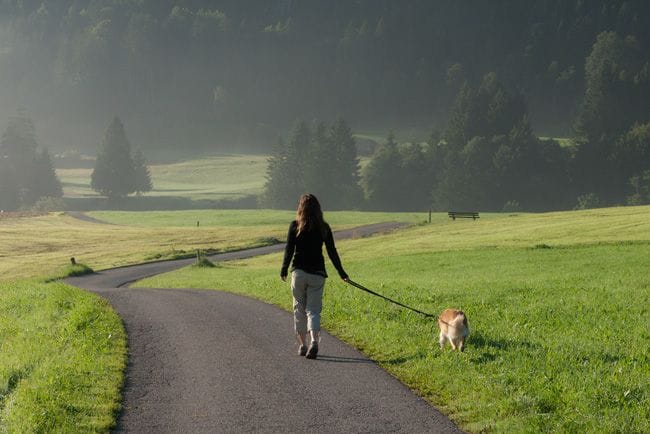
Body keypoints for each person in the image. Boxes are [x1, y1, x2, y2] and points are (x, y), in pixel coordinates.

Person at [281, 194, 349, 359]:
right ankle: (314, 342)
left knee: (299, 308)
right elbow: (332, 252)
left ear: (301, 208)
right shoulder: (324, 227)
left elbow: (289, 250)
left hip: (299, 273)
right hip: (317, 274)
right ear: (318, 209)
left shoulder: (295, 226)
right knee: (313, 310)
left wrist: (284, 269)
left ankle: (303, 345)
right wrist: (342, 273)